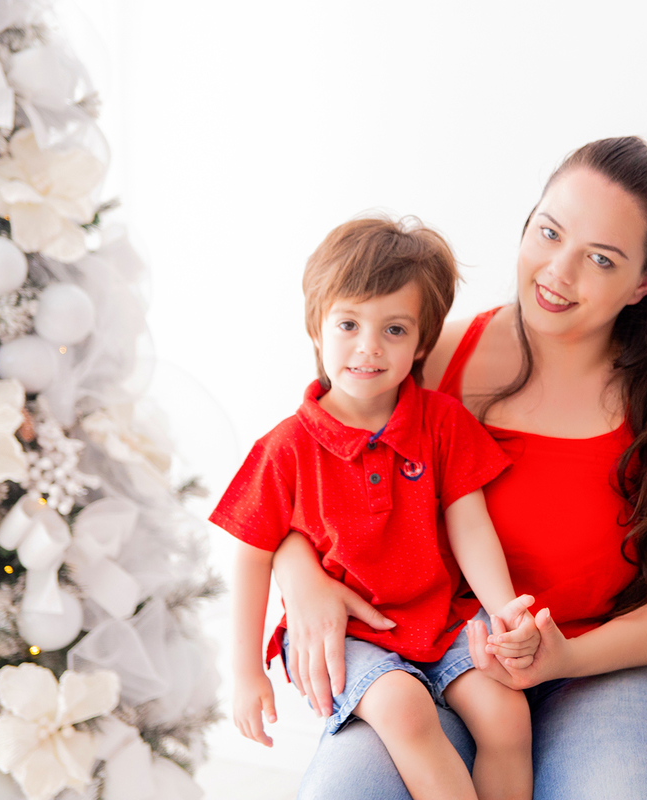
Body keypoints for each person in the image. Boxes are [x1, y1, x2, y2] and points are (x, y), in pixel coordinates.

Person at [270, 137, 647, 800]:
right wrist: (301, 576)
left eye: (600, 259)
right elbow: (301, 467)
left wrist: (568, 657)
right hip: (440, 655)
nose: (558, 272)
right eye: (548, 233)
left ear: (645, 282)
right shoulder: (433, 355)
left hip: (615, 672)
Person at [210, 217, 542, 800]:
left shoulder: (441, 422)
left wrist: (503, 610)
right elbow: (250, 557)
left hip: (438, 620)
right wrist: (244, 673)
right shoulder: (285, 448)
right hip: (349, 635)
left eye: (393, 329)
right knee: (405, 707)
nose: (368, 346)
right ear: (317, 328)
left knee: (507, 716)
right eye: (348, 323)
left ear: (421, 343)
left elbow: (471, 525)